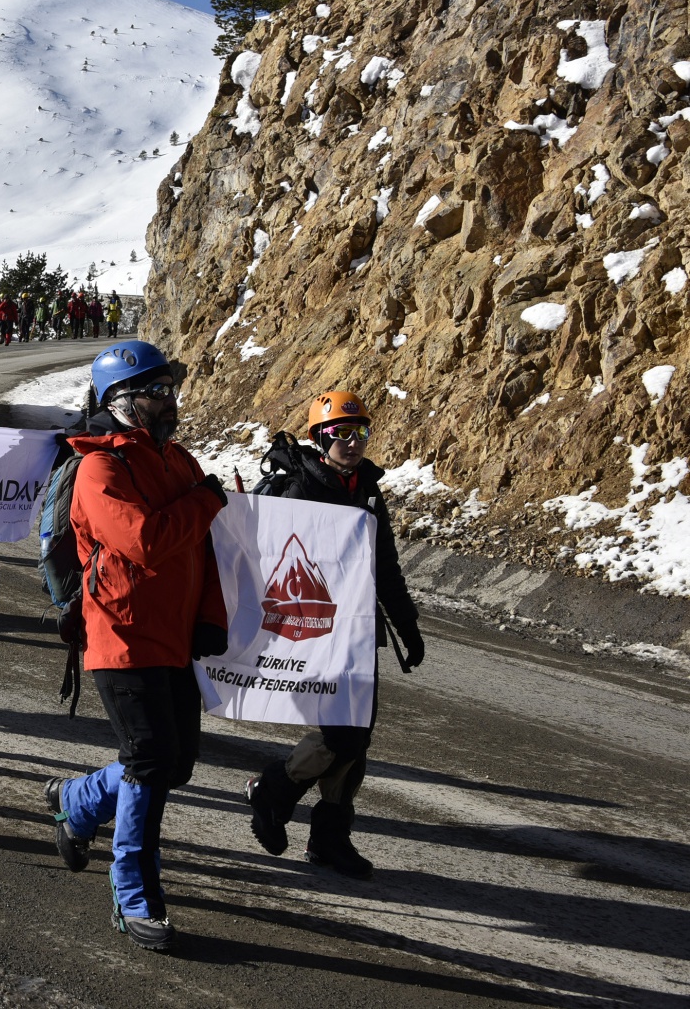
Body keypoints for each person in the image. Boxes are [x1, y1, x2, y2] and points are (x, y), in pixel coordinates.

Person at [44, 341, 228, 952]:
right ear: (122, 400)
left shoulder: (175, 459)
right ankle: (134, 894)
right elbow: (145, 541)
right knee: (150, 761)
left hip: (173, 637)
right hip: (120, 637)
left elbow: (203, 552)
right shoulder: (101, 468)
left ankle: (78, 798)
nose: (170, 400)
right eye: (158, 391)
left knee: (173, 766)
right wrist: (204, 500)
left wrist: (210, 618)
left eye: (170, 389)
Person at [244, 391, 426, 879]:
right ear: (318, 438)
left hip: (359, 631)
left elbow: (383, 564)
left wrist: (405, 624)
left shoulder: (368, 489)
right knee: (343, 733)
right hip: (314, 630)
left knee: (358, 737)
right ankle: (276, 789)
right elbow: (269, 560)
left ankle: (329, 838)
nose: (352, 442)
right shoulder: (302, 489)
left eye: (360, 432)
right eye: (340, 434)